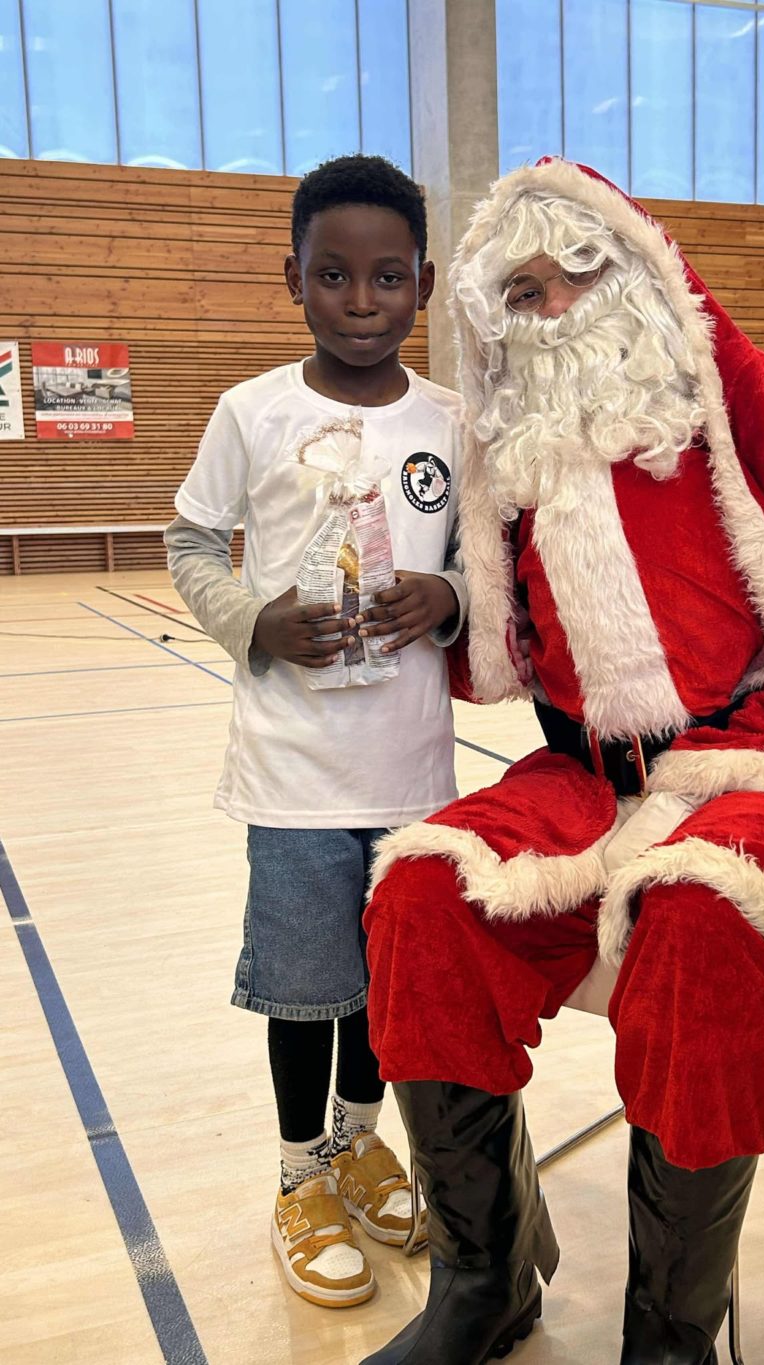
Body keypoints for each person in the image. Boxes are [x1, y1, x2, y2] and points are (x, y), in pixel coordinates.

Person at [359, 159, 764, 1364]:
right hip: (584, 779)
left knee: (703, 916)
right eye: (524, 291)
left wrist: (719, 773)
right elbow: (499, 655)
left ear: (647, 269)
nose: (555, 306)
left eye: (579, 271)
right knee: (418, 898)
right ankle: (484, 1279)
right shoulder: (510, 460)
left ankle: (669, 1336)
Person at [164, 155, 466, 1311]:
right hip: (291, 775)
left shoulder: (451, 423)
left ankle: (359, 1144)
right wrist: (253, 621)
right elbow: (192, 543)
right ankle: (299, 1176)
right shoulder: (252, 412)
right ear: (292, 277)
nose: (360, 300)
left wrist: (447, 598)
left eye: (387, 277)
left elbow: (483, 567)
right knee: (304, 987)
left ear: (422, 284)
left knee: (386, 987)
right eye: (332, 275)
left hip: (411, 776)